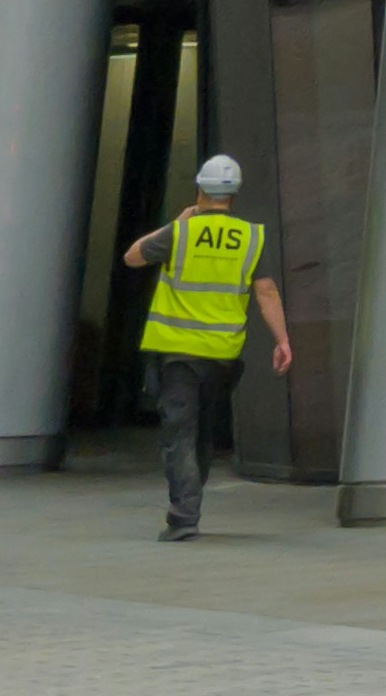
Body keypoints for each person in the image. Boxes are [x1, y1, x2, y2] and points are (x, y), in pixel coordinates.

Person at [118, 157, 289, 538]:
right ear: (233, 195)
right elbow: (266, 291)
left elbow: (132, 257)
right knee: (202, 433)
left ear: (199, 189)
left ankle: (183, 516)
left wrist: (177, 222)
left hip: (179, 353)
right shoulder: (251, 236)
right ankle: (190, 500)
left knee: (178, 432)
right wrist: (282, 340)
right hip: (223, 355)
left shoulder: (181, 232)